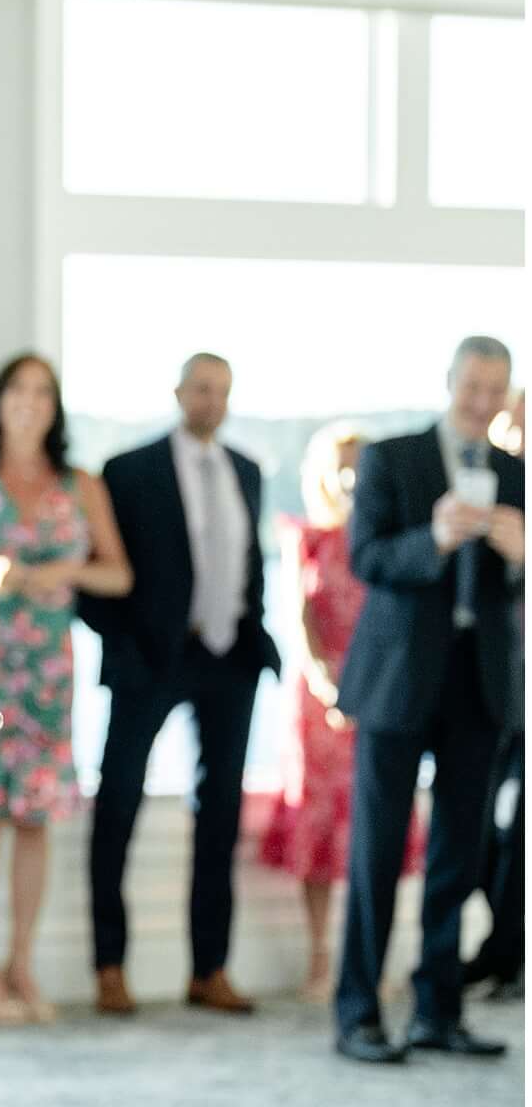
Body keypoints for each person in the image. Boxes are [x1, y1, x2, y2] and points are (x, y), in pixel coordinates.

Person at [335, 342, 520, 1069]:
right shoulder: (392, 458)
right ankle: (359, 1014)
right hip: (398, 682)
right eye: (473, 385)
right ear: (451, 384)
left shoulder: (515, 474)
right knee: (378, 852)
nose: (482, 400)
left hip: (481, 686)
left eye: (496, 389)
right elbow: (366, 558)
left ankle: (438, 1012)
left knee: (457, 854)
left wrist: (522, 552)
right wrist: (434, 538)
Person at [84, 356, 273, 1020]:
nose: (211, 400)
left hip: (228, 659)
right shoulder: (129, 471)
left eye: (222, 390)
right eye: (201, 388)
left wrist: (257, 638)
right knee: (118, 808)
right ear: (178, 393)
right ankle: (109, 968)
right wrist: (126, 646)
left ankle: (210, 969)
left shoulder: (246, 470)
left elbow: (248, 563)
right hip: (149, 661)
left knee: (220, 814)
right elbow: (95, 573)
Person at [0, 366, 127, 1017]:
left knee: (35, 818)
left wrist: (67, 569)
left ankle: (22, 965)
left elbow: (118, 575)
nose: (29, 404)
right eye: (18, 391)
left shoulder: (78, 484)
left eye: (42, 393)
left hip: (50, 672)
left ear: (54, 409)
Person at [253, 426, 370, 1004]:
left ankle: (365, 959)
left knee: (371, 830)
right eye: (339, 465)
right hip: (318, 699)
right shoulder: (308, 538)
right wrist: (327, 682)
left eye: (359, 466)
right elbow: (296, 616)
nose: (349, 477)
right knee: (320, 831)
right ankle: (320, 959)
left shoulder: (383, 538)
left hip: (376, 693)